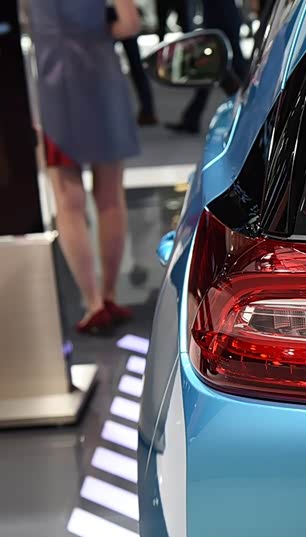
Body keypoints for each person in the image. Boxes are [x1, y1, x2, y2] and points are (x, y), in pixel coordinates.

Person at [28, 0, 141, 334]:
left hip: (54, 83)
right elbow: (129, 24)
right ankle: (109, 296)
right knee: (110, 196)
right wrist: (96, 30)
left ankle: (92, 304)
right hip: (101, 78)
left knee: (67, 201)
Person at [166, 0, 248, 134]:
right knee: (216, 70)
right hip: (221, 19)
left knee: (224, 69)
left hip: (222, 20)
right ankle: (191, 118)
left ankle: (251, 109)